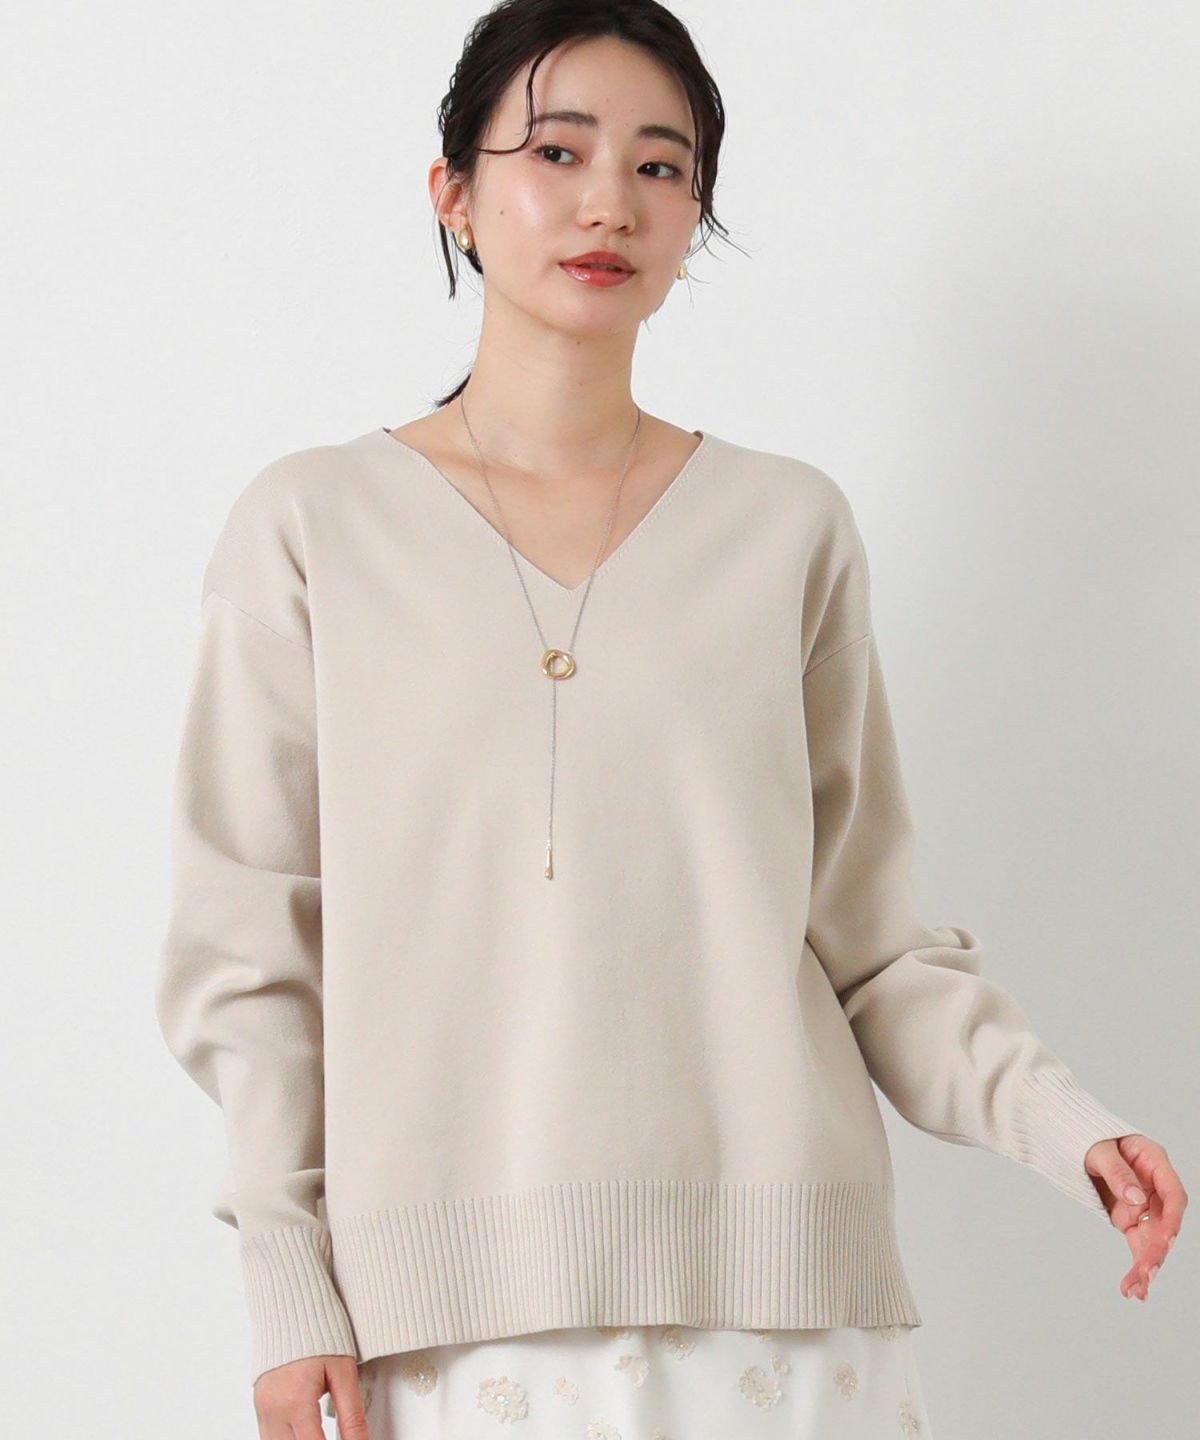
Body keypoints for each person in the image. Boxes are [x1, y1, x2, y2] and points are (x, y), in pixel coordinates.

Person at [154, 3, 1187, 1437]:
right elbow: (246, 954)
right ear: (452, 192)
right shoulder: (311, 526)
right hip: (455, 1332)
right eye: (556, 152)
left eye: (660, 166)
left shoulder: (786, 527)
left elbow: (871, 944)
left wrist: (1071, 1128)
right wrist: (289, 1282)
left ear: (696, 213)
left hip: (785, 1325)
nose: (609, 203)